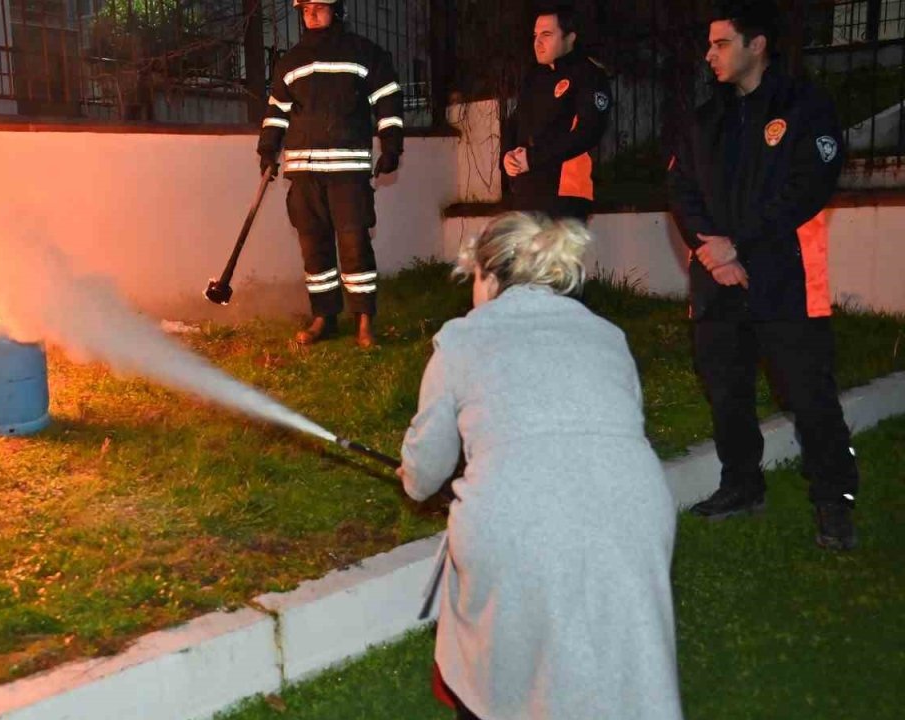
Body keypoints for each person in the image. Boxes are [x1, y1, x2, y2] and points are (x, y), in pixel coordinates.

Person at [398, 213, 682, 720]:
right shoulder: (607, 335)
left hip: (517, 519)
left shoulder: (461, 339)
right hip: (635, 512)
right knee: (619, 660)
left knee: (501, 665)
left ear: (488, 275)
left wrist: (413, 475)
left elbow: (423, 475)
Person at [668, 0, 859, 549]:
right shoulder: (708, 119)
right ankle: (741, 485)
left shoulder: (806, 106)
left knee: (808, 394)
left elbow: (807, 189)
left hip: (785, 279)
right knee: (727, 391)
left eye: (721, 43)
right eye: (708, 45)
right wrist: (710, 250)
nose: (710, 55)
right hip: (717, 280)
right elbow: (681, 190)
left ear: (757, 45)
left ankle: (835, 500)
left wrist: (739, 245)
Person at [256, 0, 404, 348]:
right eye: (305, 7)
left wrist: (392, 145)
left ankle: (364, 320)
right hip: (304, 174)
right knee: (314, 250)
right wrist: (267, 150)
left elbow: (388, 97)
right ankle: (324, 316)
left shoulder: (363, 52)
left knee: (354, 246)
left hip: (346, 173)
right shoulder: (290, 62)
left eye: (319, 6)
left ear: (337, 10)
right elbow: (276, 110)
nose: (311, 12)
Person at [501, 5, 612, 222]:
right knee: (522, 256)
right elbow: (515, 122)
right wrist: (507, 156)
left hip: (565, 194)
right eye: (535, 35)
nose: (537, 42)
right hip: (526, 191)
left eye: (547, 34)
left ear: (570, 37)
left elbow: (587, 133)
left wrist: (532, 159)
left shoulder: (589, 74)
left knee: (555, 256)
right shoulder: (534, 76)